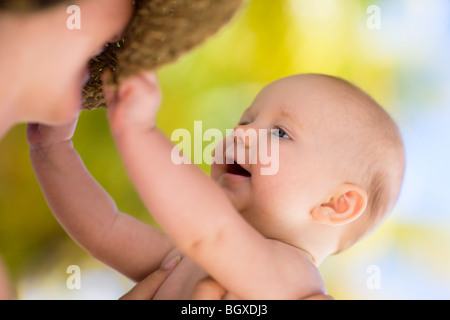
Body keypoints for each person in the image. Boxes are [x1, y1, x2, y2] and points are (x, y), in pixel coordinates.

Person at [28, 71, 405, 299]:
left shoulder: (294, 276)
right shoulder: (192, 255)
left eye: (280, 132)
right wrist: (53, 150)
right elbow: (104, 229)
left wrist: (140, 130)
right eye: (246, 120)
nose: (243, 133)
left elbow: (211, 233)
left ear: (336, 204)